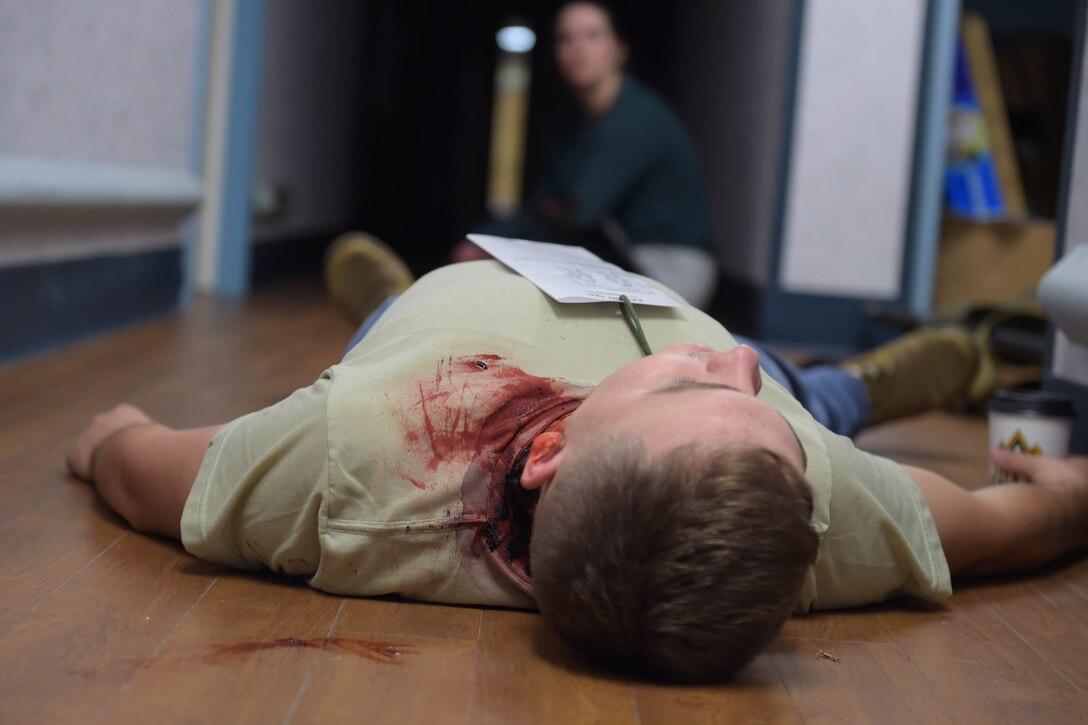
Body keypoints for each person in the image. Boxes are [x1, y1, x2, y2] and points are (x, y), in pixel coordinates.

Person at [67, 254, 1088, 684]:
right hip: (695, 325)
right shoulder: (826, 504)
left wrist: (109, 431)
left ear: (549, 452)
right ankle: (844, 391)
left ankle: (381, 288)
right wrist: (1066, 491)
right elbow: (1023, 522)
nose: (722, 364)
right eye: (743, 410)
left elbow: (141, 473)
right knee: (798, 388)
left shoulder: (347, 451)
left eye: (694, 389)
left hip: (444, 309)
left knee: (388, 325)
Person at [453, 1, 718, 307]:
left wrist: (506, 238)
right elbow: (541, 205)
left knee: (547, 265)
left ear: (619, 50)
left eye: (592, 36)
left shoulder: (635, 118)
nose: (578, 48)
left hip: (669, 262)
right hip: (620, 255)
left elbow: (577, 213)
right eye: (566, 38)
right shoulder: (571, 125)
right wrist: (483, 239)